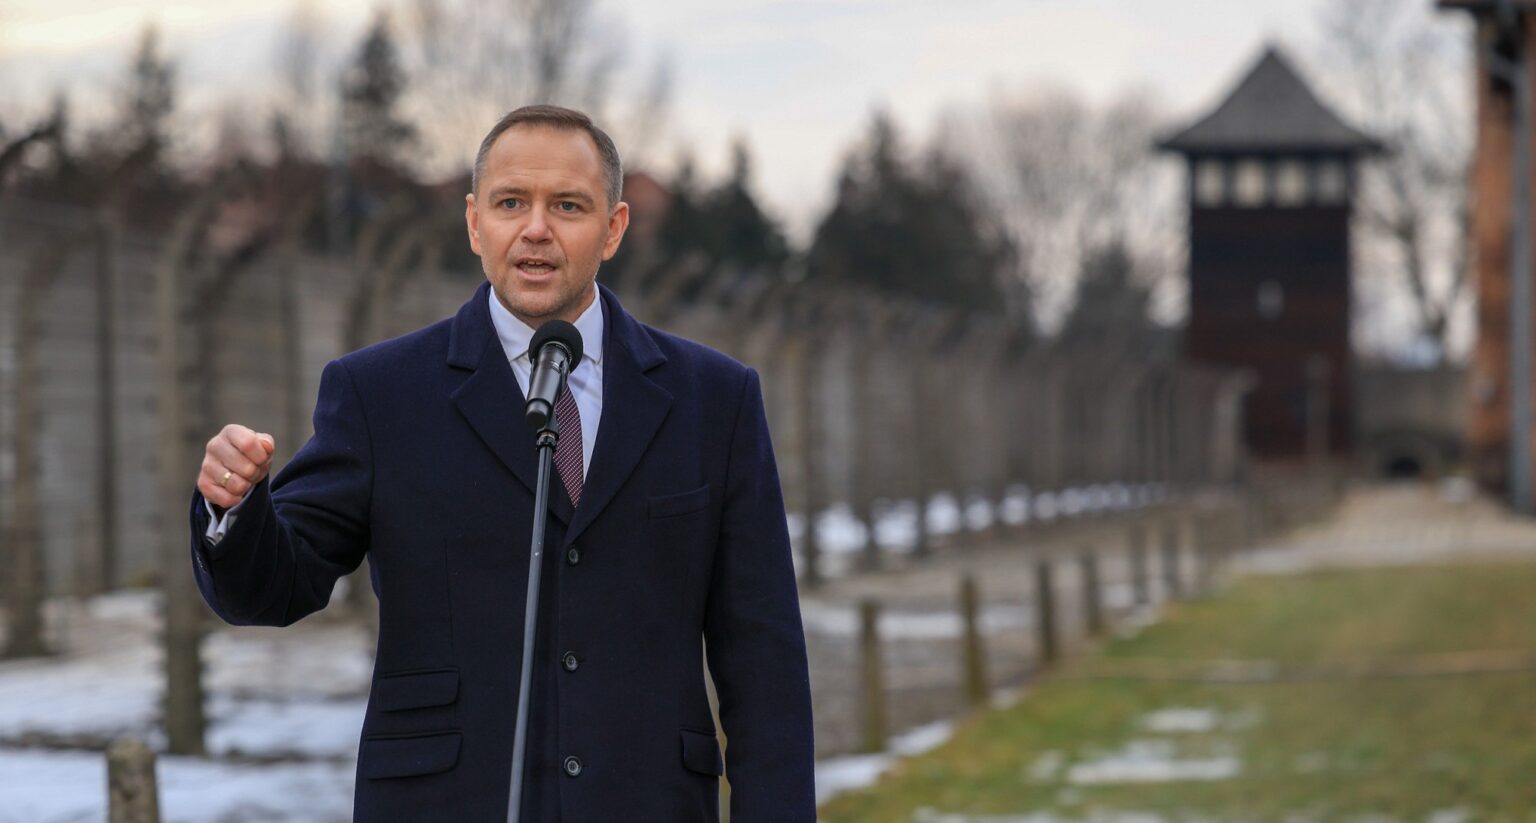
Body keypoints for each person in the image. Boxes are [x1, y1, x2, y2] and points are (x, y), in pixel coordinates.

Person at [189, 105, 815, 822]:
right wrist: (235, 507)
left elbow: (763, 660)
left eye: (568, 206)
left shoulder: (715, 399)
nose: (536, 229)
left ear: (613, 229)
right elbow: (275, 587)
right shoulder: (379, 393)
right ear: (474, 222)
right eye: (511, 202)